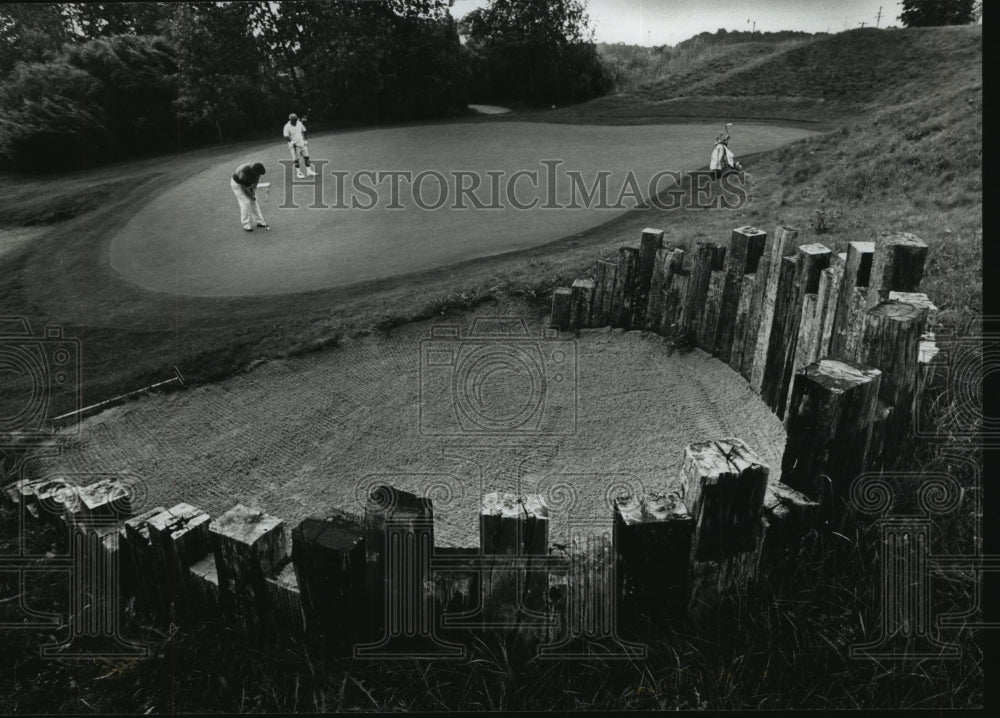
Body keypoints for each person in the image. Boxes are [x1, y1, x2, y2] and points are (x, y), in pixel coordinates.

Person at [230, 161, 269, 232]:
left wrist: (253, 191)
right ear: (254, 171)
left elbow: (256, 181)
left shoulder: (257, 170)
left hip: (247, 184)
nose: (258, 175)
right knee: (246, 202)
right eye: (258, 173)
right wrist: (251, 196)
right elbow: (244, 188)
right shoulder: (244, 172)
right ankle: (246, 224)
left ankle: (259, 222)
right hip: (237, 185)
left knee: (254, 201)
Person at [283, 113, 316, 178]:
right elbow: (286, 136)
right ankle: (299, 173)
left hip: (302, 143)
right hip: (294, 146)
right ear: (290, 120)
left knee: (306, 157)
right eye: (293, 120)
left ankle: (309, 172)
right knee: (296, 159)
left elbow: (304, 130)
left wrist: (306, 140)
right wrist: (292, 142)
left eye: (296, 120)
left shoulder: (299, 123)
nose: (295, 121)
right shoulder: (286, 126)